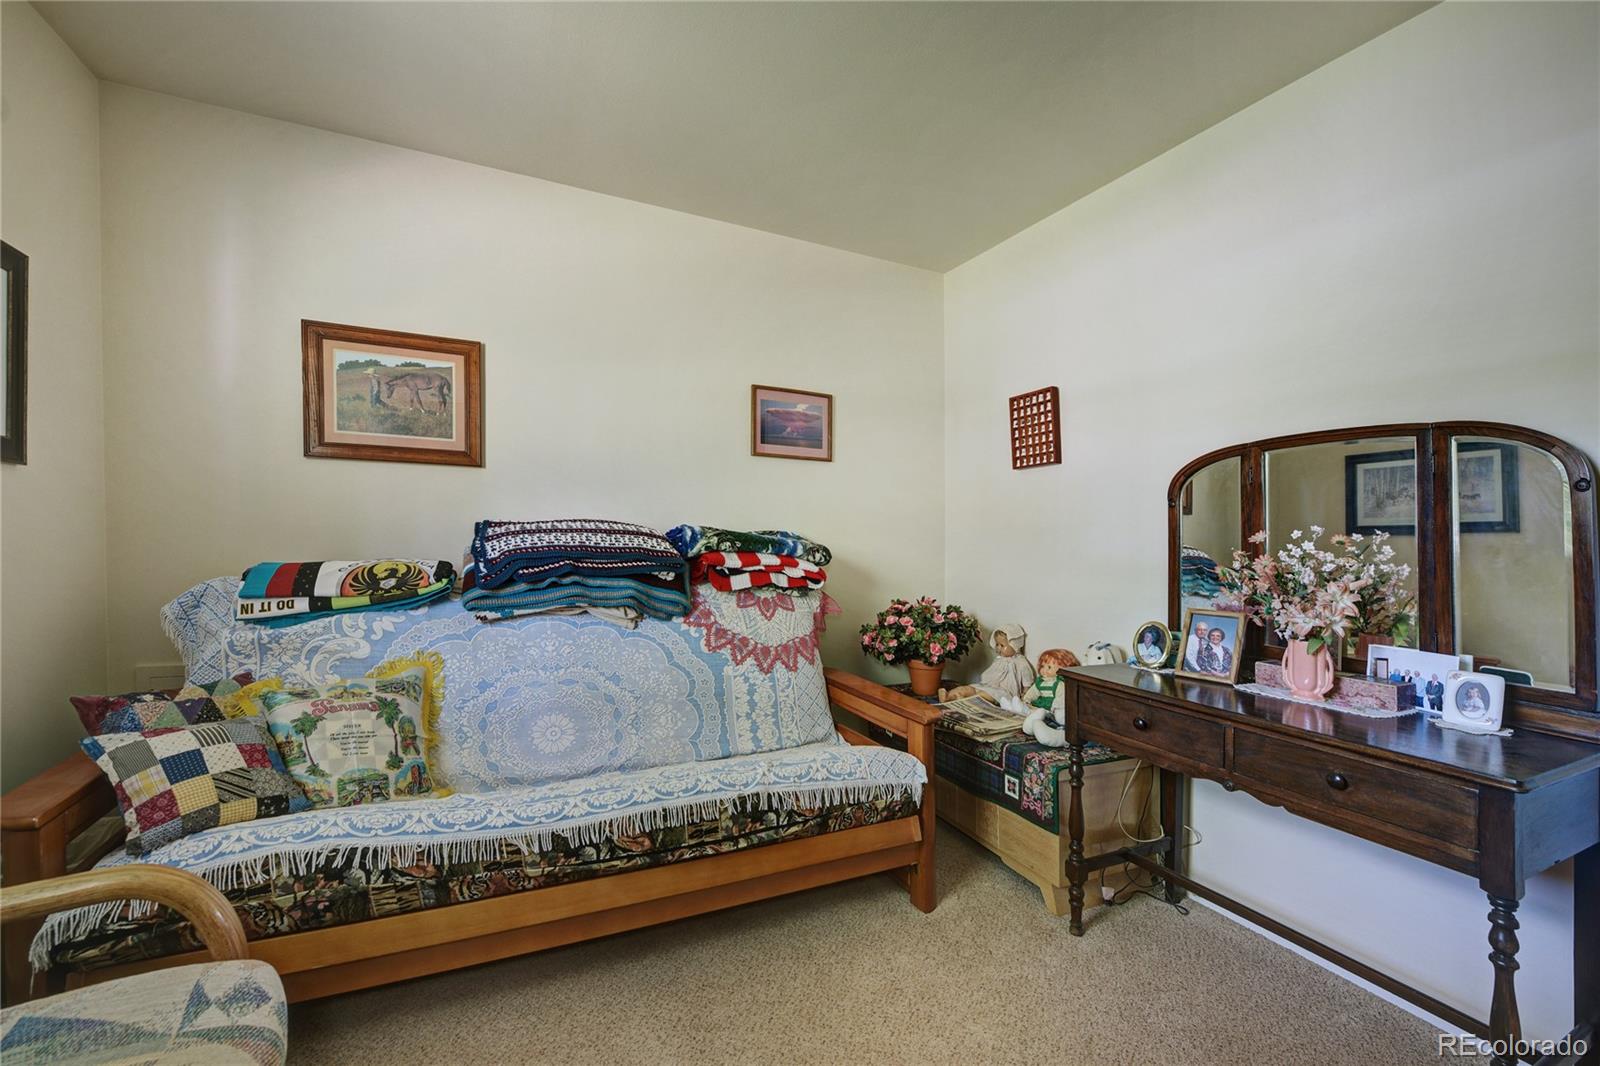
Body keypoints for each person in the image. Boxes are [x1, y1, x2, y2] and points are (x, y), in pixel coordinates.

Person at [940, 623, 1034, 703]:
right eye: (997, 644)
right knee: (970, 688)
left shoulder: (1021, 663)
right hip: (988, 686)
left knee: (982, 695)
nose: (998, 648)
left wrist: (1025, 696)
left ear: (1015, 645)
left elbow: (1027, 682)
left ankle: (964, 700)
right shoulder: (999, 659)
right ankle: (948, 696)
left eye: (1002, 645)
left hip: (1004, 692)